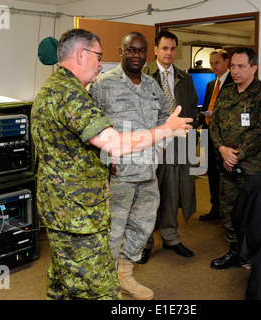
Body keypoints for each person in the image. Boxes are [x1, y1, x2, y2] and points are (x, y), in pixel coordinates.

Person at [31, 28, 192, 300]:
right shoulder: (74, 93)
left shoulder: (61, 88)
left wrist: (158, 148)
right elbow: (112, 143)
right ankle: (112, 281)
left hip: (71, 202)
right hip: (77, 208)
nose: (99, 63)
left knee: (63, 278)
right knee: (100, 287)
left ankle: (125, 275)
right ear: (81, 54)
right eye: (98, 56)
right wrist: (165, 132)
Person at [88, 31, 172, 300]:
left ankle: (125, 276)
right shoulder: (103, 84)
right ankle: (107, 285)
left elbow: (165, 117)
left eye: (141, 50)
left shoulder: (151, 85)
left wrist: (159, 147)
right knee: (113, 231)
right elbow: (90, 125)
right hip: (118, 174)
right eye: (131, 50)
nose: (136, 55)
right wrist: (105, 158)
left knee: (142, 227)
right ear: (121, 51)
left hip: (148, 172)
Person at [209, 47, 261, 269]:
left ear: (254, 68)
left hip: (253, 168)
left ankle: (256, 255)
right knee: (229, 209)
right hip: (227, 166)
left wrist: (238, 154)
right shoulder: (227, 91)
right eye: (233, 66)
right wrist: (222, 149)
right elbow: (215, 124)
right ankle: (235, 251)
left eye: (241, 66)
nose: (236, 71)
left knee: (255, 211)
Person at [141, 30, 199, 263]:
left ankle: (171, 238)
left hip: (176, 146)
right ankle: (144, 243)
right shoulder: (143, 76)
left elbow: (192, 110)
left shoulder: (185, 79)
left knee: (173, 193)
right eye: (164, 48)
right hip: (151, 144)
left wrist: (188, 140)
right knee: (148, 195)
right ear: (155, 49)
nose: (169, 53)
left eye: (173, 49)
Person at [197, 49, 234, 221]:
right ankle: (215, 209)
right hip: (208, 134)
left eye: (217, 62)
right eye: (211, 63)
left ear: (227, 62)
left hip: (224, 138)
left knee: (225, 176)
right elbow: (206, 107)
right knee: (211, 173)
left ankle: (227, 212)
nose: (214, 66)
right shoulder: (211, 85)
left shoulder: (234, 82)